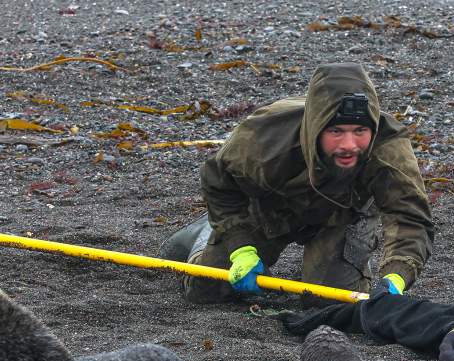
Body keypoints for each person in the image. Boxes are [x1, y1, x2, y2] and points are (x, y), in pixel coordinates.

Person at [159, 62, 435, 305]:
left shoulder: (388, 148)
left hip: (344, 216)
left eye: (360, 131)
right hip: (270, 205)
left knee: (329, 303)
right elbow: (219, 181)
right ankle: (203, 232)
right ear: (316, 127)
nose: (349, 145)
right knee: (204, 292)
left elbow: (409, 216)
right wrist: (240, 247)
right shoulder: (263, 137)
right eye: (336, 131)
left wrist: (398, 276)